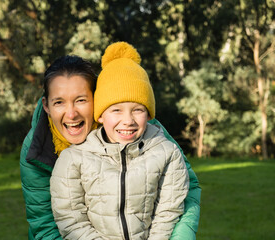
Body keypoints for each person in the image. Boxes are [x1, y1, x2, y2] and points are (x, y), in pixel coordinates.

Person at [20, 51, 201, 240]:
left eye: (81, 100)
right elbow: (46, 224)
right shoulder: (36, 147)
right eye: (59, 102)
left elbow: (184, 191)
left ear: (97, 99)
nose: (71, 114)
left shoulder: (140, 127)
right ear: (47, 105)